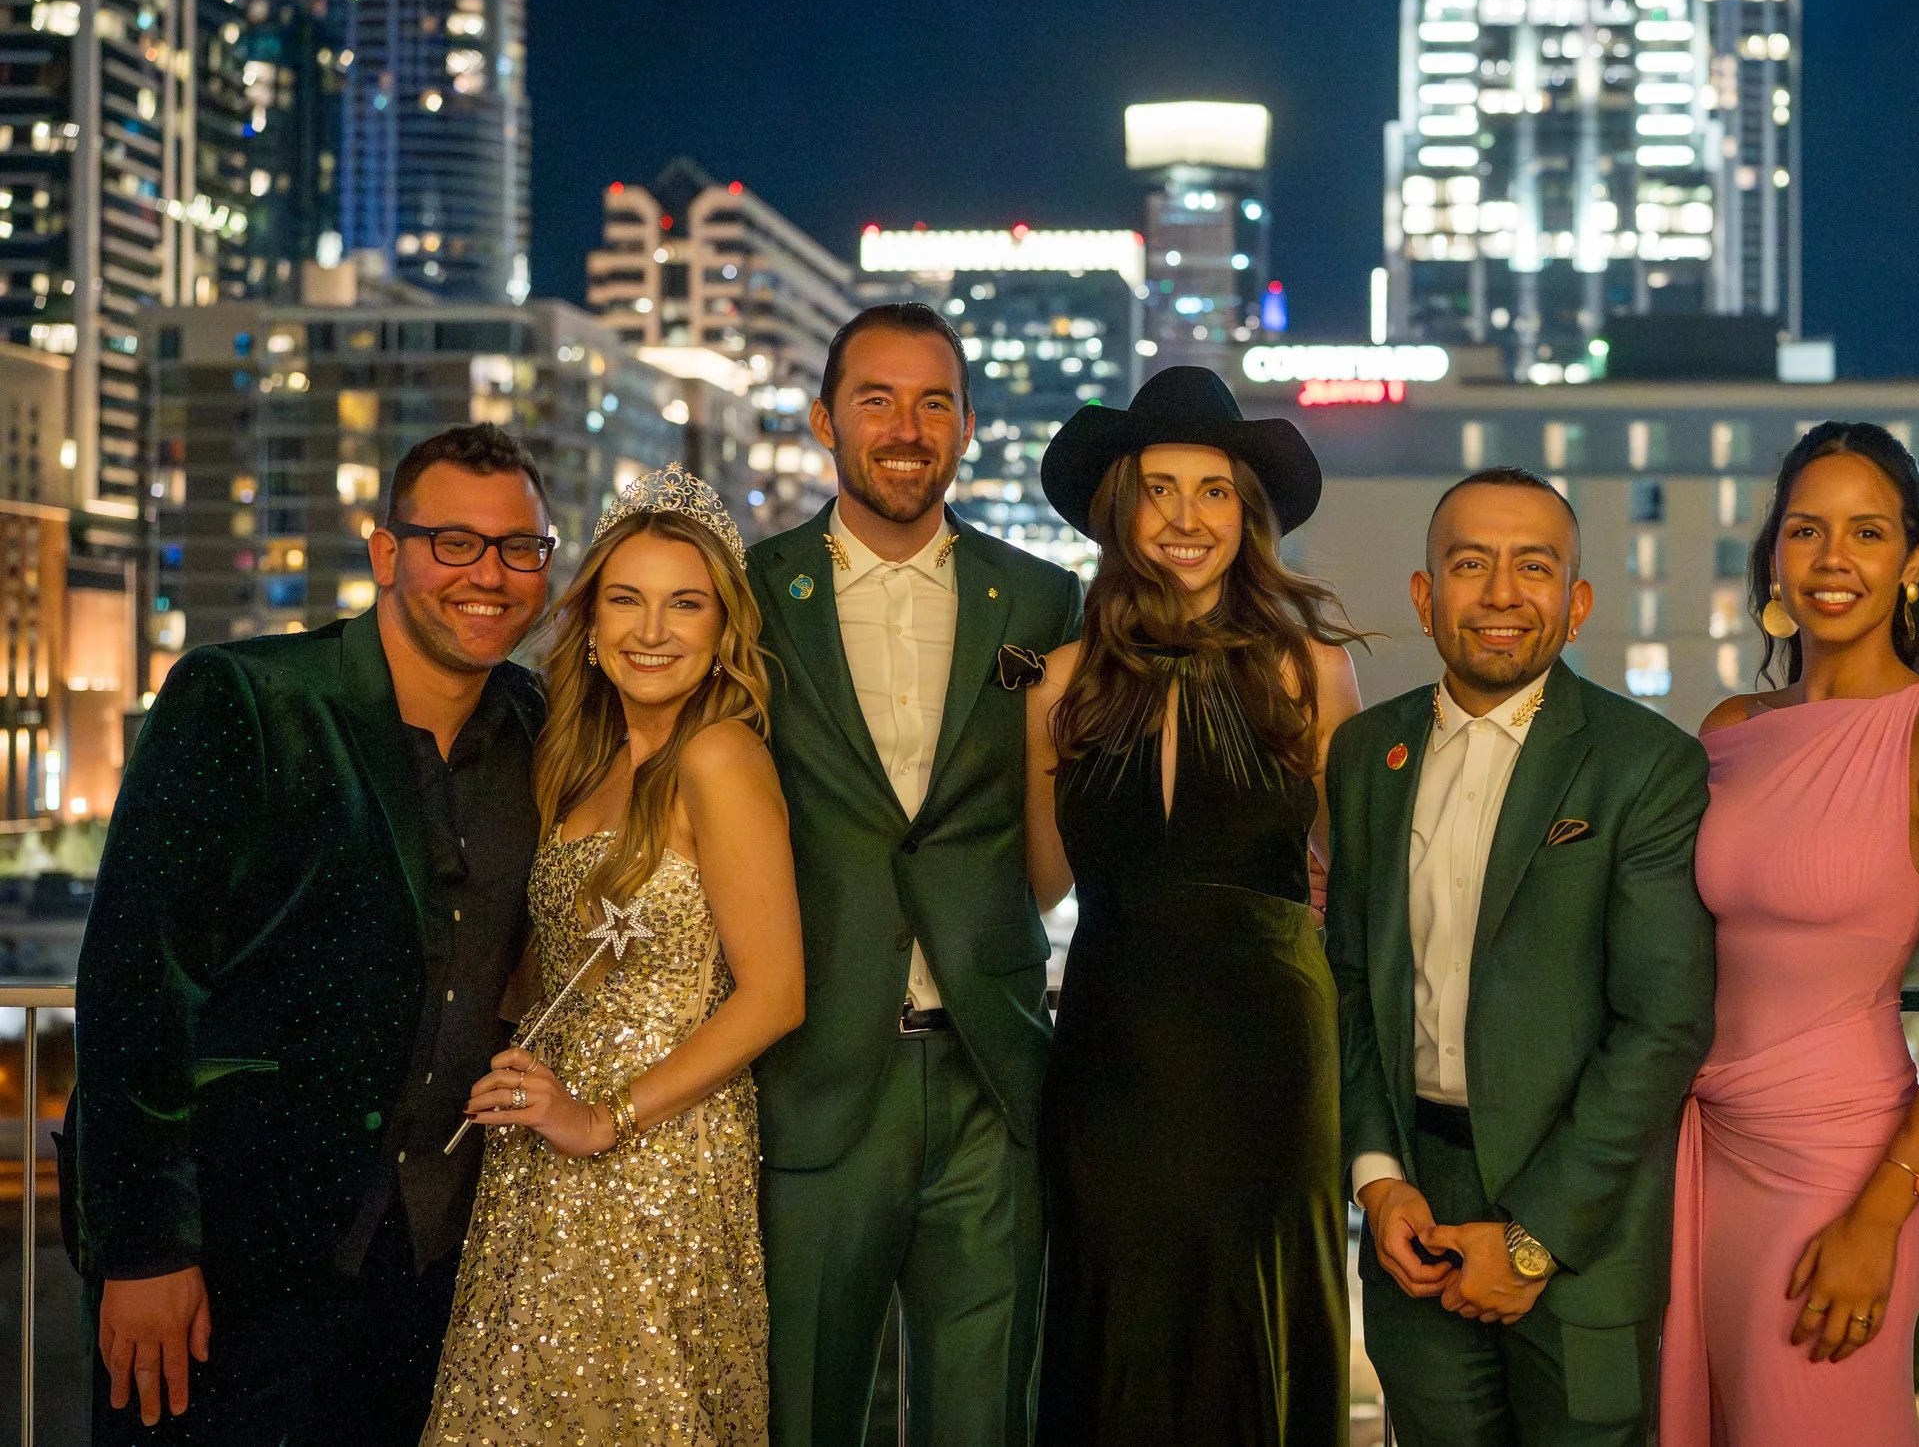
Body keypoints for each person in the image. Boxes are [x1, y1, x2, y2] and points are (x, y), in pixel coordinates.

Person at [70, 425, 554, 1444]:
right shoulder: (242, 698)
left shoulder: (538, 727)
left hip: (434, 1270)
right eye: (453, 541)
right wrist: (144, 1244)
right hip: (227, 1262)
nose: (490, 574)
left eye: (519, 547)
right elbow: (134, 980)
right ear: (386, 553)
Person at [747, 302, 1083, 1447]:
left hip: (994, 1071)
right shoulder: (746, 592)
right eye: (876, 399)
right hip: (815, 1065)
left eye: (934, 400)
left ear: (969, 426)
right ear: (821, 420)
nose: (906, 425)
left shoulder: (1042, 601)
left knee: (986, 1414)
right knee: (805, 1408)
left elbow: (1048, 824)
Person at [1656, 423, 1919, 1445]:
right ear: (1773, 553)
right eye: (1806, 530)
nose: (1833, 558)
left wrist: (1884, 1209)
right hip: (1701, 1142)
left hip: (1843, 1163)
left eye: (1865, 532)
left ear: (1909, 561)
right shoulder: (1729, 728)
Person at [1328, 467, 1716, 1447]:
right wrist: (1377, 1178)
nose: (1501, 593)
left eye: (1532, 567)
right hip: (1413, 1211)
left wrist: (1534, 1234)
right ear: (1426, 596)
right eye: (1470, 564)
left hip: (1581, 1224)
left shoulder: (1645, 763)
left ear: (1575, 603)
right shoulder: (1366, 752)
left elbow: (1662, 1022)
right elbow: (1346, 984)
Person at [421, 465, 803, 1443]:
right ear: (589, 624)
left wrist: (602, 1117)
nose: (651, 630)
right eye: (626, 600)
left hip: (659, 1154)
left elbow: (774, 995)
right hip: (539, 1147)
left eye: (686, 604)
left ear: (723, 629)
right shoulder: (572, 760)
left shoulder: (721, 757)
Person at [1022, 364, 1363, 1447]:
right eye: (1159, 488)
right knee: (1117, 1325)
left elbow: (1349, 885)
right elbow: (1035, 888)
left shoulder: (1314, 670)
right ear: (1119, 508)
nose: (1185, 517)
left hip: (1272, 1058)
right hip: (1113, 1053)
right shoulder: (1055, 683)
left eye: (1213, 490)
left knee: (1255, 1324)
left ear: (1247, 513)